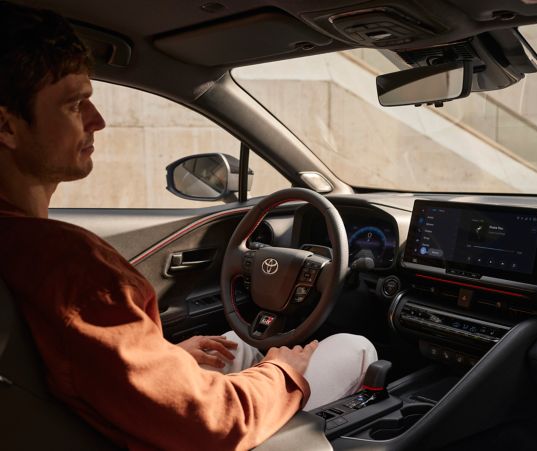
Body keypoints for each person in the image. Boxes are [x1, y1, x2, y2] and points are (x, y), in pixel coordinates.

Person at [0, 2, 377, 450]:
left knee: (231, 346)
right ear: (6, 125)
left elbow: (72, 368)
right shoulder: (68, 266)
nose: (98, 120)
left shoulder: (26, 251)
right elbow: (212, 424)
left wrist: (164, 363)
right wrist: (284, 373)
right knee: (353, 348)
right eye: (75, 104)